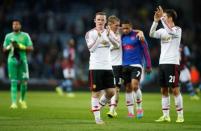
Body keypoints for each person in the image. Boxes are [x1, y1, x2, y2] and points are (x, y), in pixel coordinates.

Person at [149, 6, 184, 123]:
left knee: (174, 89)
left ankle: (180, 115)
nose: (162, 18)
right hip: (162, 63)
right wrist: (155, 21)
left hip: (172, 63)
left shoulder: (177, 30)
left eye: (164, 17)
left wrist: (162, 20)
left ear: (170, 18)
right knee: (163, 90)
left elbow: (170, 31)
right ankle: (166, 115)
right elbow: (151, 33)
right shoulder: (162, 31)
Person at [85, 12, 116, 124]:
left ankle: (99, 106)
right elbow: (91, 49)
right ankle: (97, 118)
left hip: (108, 66)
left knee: (112, 92)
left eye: (102, 20)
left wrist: (109, 37)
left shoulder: (109, 32)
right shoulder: (90, 33)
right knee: (96, 92)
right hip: (95, 67)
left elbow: (116, 45)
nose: (100, 22)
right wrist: (99, 38)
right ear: (95, 20)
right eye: (98, 20)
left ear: (105, 21)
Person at [121, 20, 152, 119]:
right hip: (125, 65)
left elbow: (145, 50)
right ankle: (130, 113)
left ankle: (139, 108)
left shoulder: (138, 35)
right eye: (123, 28)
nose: (125, 30)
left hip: (136, 64)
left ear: (131, 27)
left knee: (135, 85)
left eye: (127, 28)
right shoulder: (122, 37)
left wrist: (148, 65)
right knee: (128, 88)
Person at [3, 19, 34, 109]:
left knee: (24, 82)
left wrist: (21, 46)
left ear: (20, 26)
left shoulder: (25, 36)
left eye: (17, 24)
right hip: (12, 61)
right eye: (13, 24)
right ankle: (13, 103)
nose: (15, 26)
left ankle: (22, 100)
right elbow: (4, 49)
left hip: (22, 61)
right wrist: (10, 46)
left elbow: (31, 48)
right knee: (13, 82)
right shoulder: (8, 36)